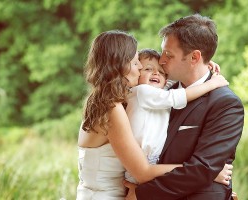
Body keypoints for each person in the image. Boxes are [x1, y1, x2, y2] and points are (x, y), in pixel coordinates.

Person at [76, 30, 232, 200]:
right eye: (136, 63)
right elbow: (143, 172)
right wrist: (205, 173)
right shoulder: (112, 109)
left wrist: (199, 65)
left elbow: (166, 83)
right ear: (120, 65)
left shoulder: (106, 100)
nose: (141, 68)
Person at [124, 14, 244, 200]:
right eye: (163, 52)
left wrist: (142, 194)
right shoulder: (160, 94)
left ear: (195, 57)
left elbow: (202, 169)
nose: (161, 60)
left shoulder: (225, 104)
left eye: (169, 55)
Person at [125, 48, 229, 183]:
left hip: (154, 163)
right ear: (137, 72)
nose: (156, 73)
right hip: (139, 164)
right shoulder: (141, 92)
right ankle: (210, 174)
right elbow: (179, 96)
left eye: (161, 72)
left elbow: (175, 78)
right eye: (148, 69)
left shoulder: (159, 93)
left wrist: (201, 65)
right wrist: (212, 83)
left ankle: (209, 174)